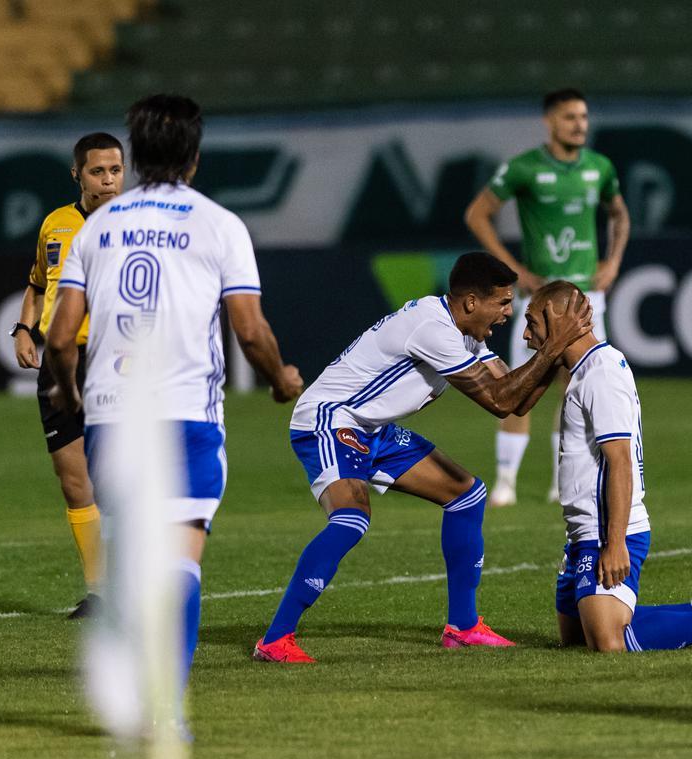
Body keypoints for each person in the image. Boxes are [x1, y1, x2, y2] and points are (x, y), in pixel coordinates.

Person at [47, 94, 303, 724]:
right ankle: (165, 708)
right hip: (187, 413)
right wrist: (280, 378)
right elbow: (250, 331)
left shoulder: (98, 227)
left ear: (133, 157)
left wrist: (71, 392)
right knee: (181, 561)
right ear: (193, 155)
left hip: (110, 415)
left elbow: (58, 338)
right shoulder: (220, 225)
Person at [252, 253, 594, 663]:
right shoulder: (433, 330)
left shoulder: (466, 332)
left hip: (370, 429)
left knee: (467, 495)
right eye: (502, 303)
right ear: (470, 302)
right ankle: (275, 639)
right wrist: (554, 347)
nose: (507, 313)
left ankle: (463, 628)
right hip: (330, 418)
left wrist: (554, 353)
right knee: (351, 517)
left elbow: (515, 398)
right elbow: (499, 401)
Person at [522, 281, 692, 653]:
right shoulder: (585, 370)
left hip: (609, 533)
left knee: (609, 642)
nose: (525, 334)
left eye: (532, 323)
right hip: (582, 534)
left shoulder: (600, 373)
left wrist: (615, 543)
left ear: (558, 320)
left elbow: (620, 462)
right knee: (576, 641)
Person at [465, 87, 631, 507]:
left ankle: (563, 480)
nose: (580, 125)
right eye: (571, 117)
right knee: (520, 387)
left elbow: (619, 214)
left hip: (586, 298)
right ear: (550, 121)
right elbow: (477, 213)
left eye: (584, 117)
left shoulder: (600, 167)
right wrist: (511, 270)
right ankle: (506, 483)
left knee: (575, 388)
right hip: (539, 298)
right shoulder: (523, 168)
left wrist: (613, 262)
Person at [11, 132, 125, 619]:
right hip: (62, 363)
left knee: (118, 478)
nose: (108, 180)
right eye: (98, 171)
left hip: (116, 361)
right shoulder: (56, 224)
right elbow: (38, 284)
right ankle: (100, 594)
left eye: (116, 170)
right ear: (77, 174)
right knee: (73, 479)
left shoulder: (137, 224)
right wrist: (22, 327)